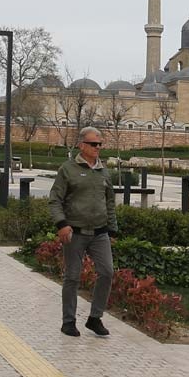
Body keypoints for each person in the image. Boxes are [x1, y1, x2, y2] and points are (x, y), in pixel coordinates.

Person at [48, 126, 117, 337]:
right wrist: (61, 224)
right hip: (74, 232)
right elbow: (55, 200)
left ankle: (95, 318)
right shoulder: (68, 169)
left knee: (107, 272)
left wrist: (112, 229)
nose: (98, 147)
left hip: (99, 233)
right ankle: (68, 321)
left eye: (100, 144)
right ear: (81, 145)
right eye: (93, 144)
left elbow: (110, 202)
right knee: (72, 277)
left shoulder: (104, 171)